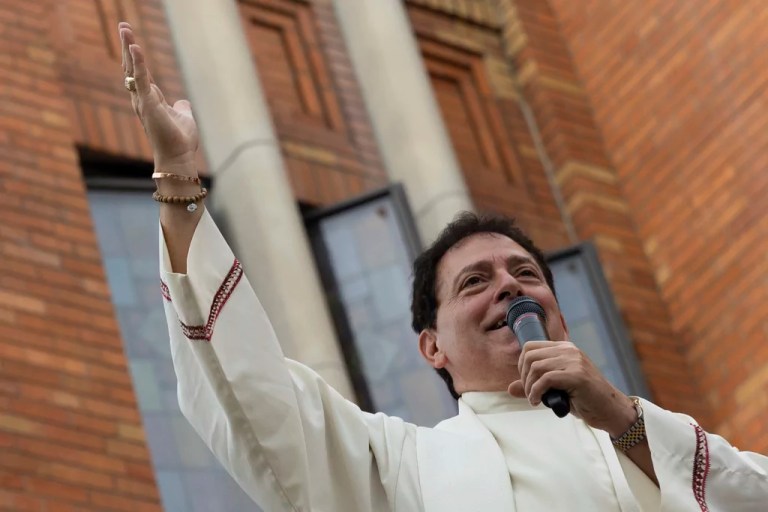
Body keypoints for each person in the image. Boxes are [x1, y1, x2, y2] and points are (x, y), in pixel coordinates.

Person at [118, 22, 768, 511]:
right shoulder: (408, 466)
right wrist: (177, 178)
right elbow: (256, 398)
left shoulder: (639, 435)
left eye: (524, 274)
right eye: (474, 282)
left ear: (561, 317)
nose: (508, 286)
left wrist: (619, 417)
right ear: (430, 345)